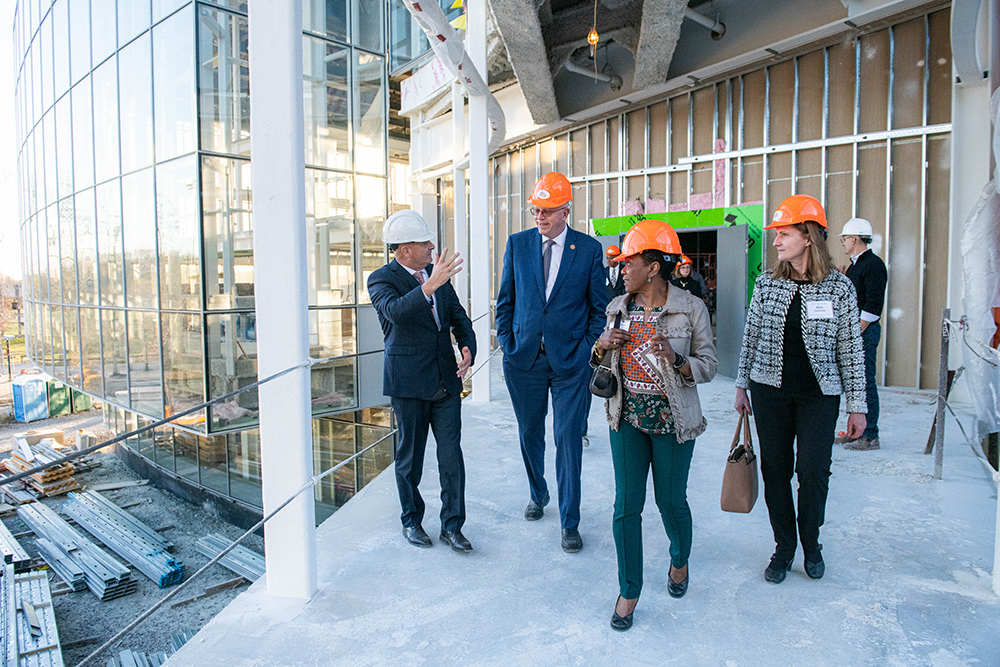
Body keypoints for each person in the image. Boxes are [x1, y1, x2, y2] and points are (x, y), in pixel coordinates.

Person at [734, 194, 867, 584]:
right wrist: (742, 385)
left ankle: (811, 541)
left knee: (812, 472)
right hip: (768, 390)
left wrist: (857, 406)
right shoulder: (767, 283)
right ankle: (784, 545)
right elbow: (752, 336)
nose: (775, 241)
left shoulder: (839, 289)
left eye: (783, 233)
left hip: (818, 395)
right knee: (776, 470)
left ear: (808, 236)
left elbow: (851, 350)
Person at [593, 219, 717, 631]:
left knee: (670, 502)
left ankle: (679, 559)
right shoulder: (617, 309)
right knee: (625, 506)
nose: (623, 269)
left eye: (631, 262)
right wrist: (601, 346)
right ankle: (629, 590)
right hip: (626, 418)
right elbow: (600, 366)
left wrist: (677, 360)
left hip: (673, 422)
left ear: (654, 267)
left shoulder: (690, 307)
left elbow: (710, 366)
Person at [495, 172, 608, 553]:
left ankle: (569, 520)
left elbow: (599, 309)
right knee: (530, 434)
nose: (539, 217)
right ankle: (537, 492)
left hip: (569, 362)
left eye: (546, 211)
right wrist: (507, 342)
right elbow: (505, 299)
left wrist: (585, 349)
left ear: (565, 210)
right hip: (523, 359)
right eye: (535, 210)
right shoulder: (518, 244)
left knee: (567, 438)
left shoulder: (589, 251)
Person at [367, 210, 476, 553]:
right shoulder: (380, 279)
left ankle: (452, 526)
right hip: (409, 384)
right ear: (403, 250)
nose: (432, 247)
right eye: (424, 242)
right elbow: (395, 312)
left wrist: (467, 344)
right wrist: (430, 284)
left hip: (446, 381)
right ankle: (411, 521)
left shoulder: (435, 274)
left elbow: (457, 315)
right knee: (409, 459)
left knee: (451, 458)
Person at [837, 218, 887, 451]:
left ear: (855, 239)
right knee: (855, 383)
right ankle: (857, 431)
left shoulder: (873, 265)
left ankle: (869, 435)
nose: (843, 243)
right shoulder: (856, 265)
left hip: (863, 332)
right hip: (857, 332)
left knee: (865, 382)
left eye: (845, 239)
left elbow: (873, 304)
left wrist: (856, 331)